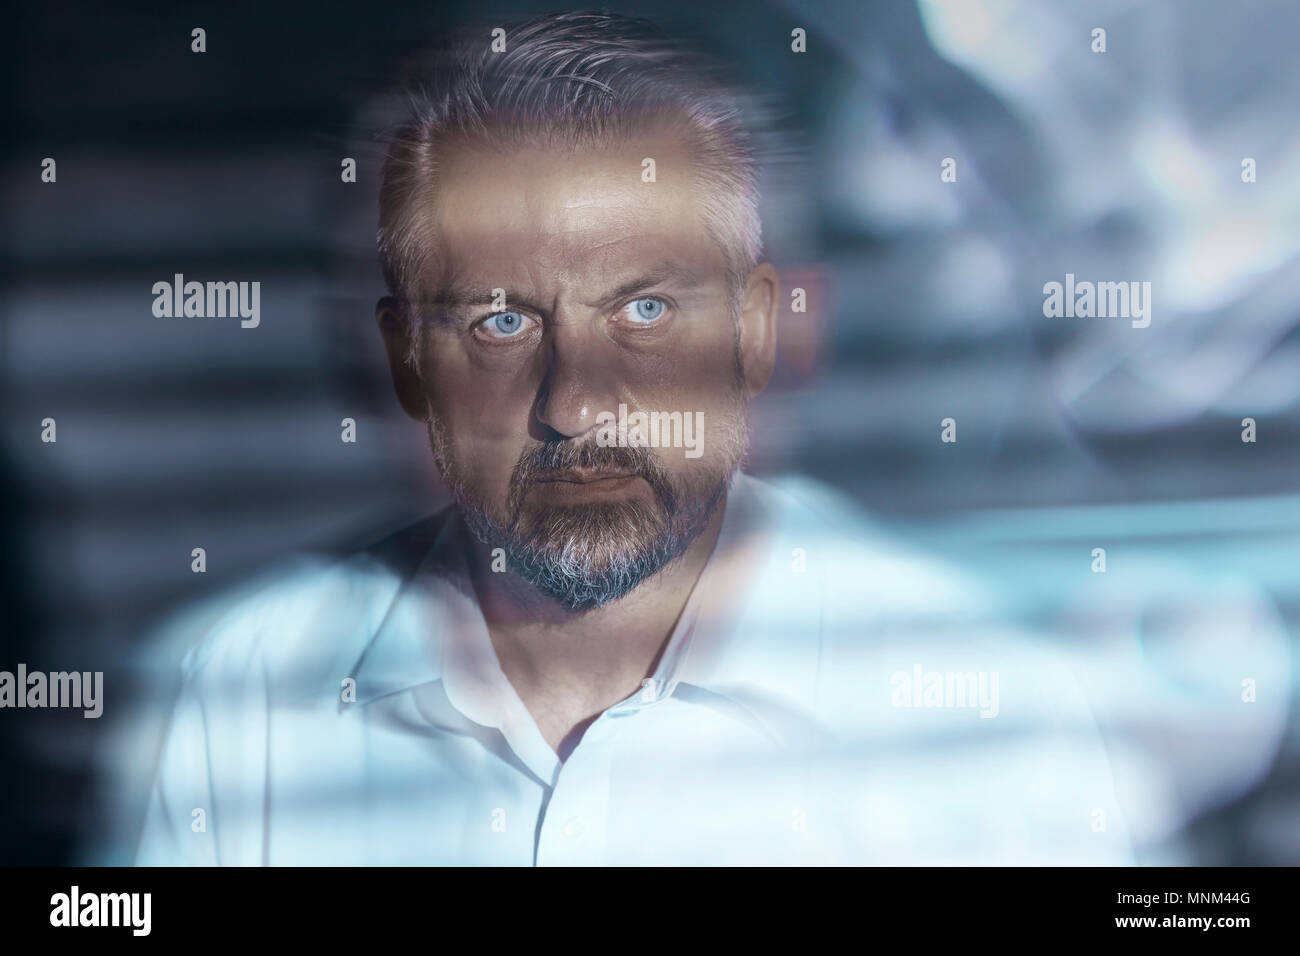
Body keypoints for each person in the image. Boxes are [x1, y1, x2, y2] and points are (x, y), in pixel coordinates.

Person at [135, 11, 1130, 865]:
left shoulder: (992, 710)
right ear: (406, 362)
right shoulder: (243, 692)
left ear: (757, 331)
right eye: (500, 322)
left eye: (645, 310)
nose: (575, 405)